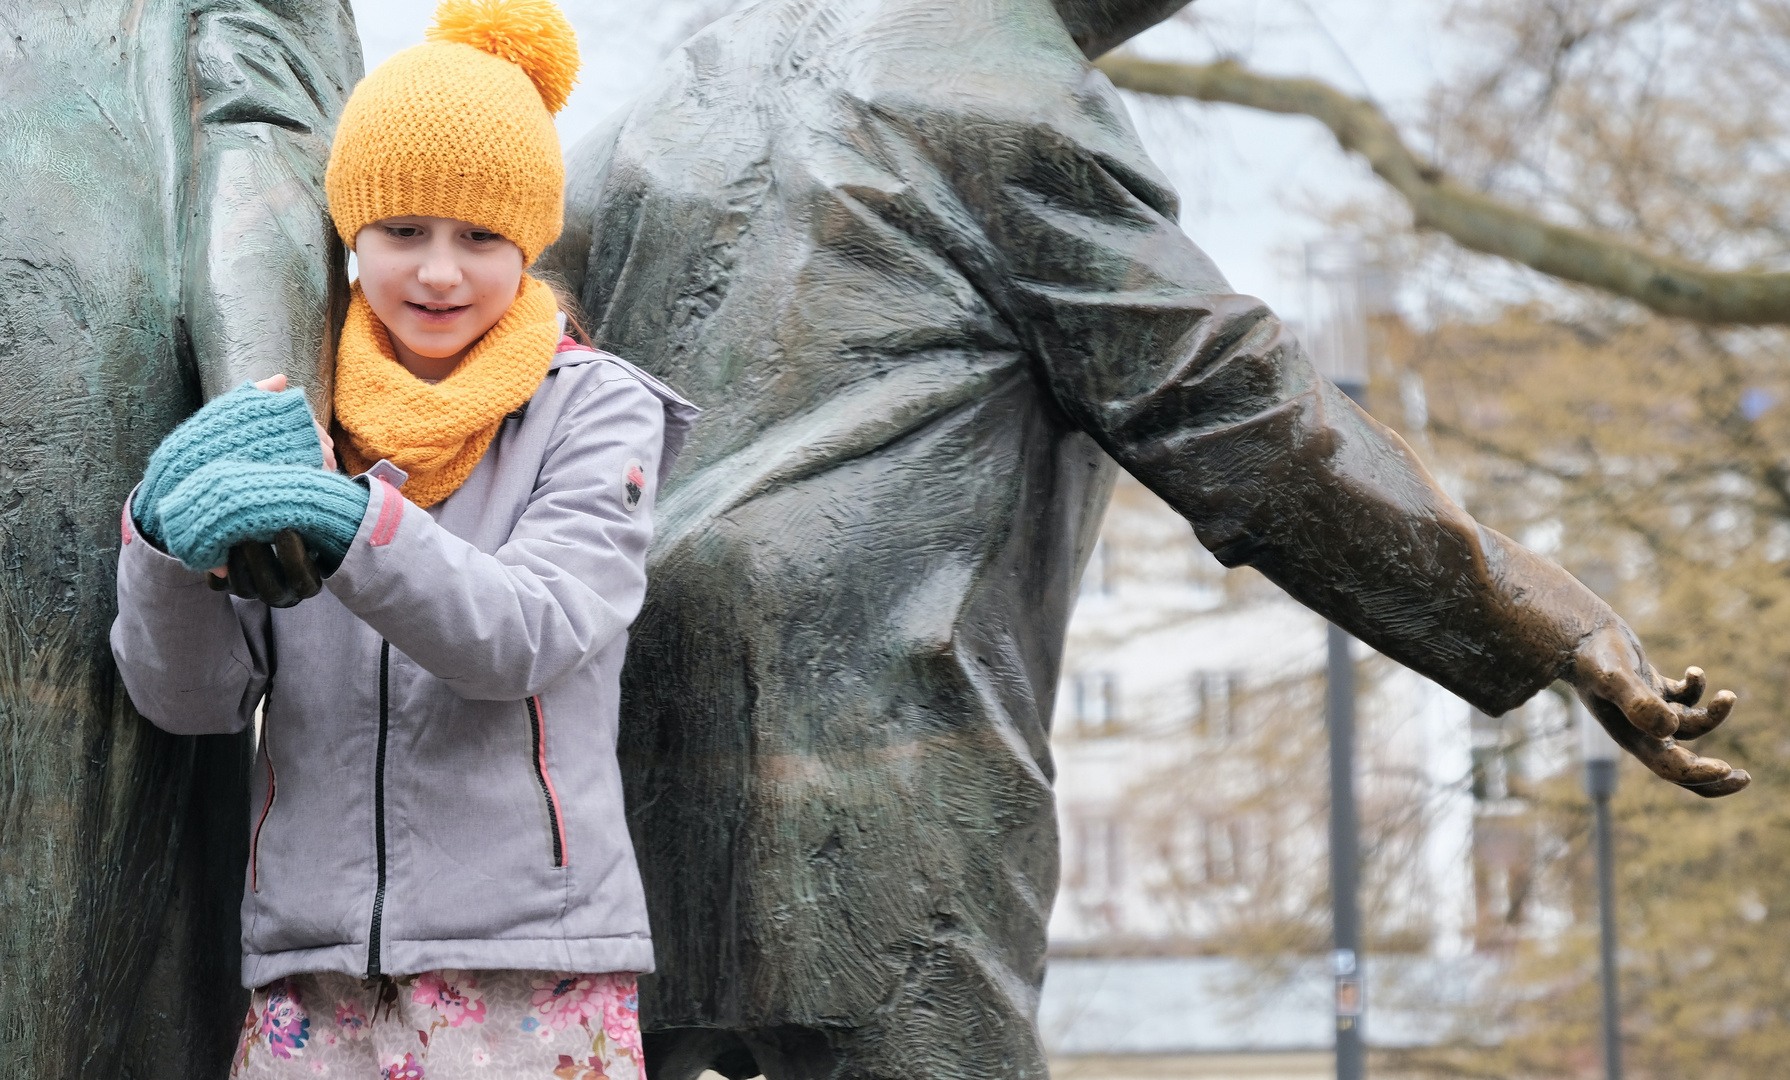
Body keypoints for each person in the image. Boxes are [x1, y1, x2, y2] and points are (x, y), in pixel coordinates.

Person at [539, 0, 1748, 1077]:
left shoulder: (683, 87)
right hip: (875, 731)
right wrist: (1535, 611)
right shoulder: (998, 92)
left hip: (607, 720)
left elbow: (507, 329)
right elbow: (1234, 410)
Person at [109, 2, 697, 1076]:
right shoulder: (298, 410)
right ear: (350, 232)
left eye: (480, 237)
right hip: (310, 969)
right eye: (402, 231)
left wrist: (353, 524)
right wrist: (161, 550)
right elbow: (193, 702)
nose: (438, 273)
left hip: (528, 965)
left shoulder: (597, 410)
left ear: (528, 239)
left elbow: (529, 632)